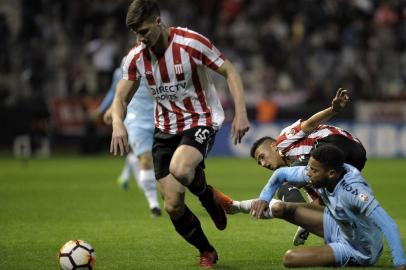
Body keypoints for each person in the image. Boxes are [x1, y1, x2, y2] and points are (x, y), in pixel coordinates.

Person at [110, 0, 250, 268]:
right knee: (173, 206)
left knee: (182, 169)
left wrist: (241, 113)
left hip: (200, 119)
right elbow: (120, 97)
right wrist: (118, 122)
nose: (141, 38)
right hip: (164, 129)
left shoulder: (191, 43)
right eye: (136, 34)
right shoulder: (136, 57)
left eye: (144, 31)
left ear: (158, 21)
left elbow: (229, 71)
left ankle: (208, 198)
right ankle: (206, 250)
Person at [217, 88, 367, 245]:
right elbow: (318, 204)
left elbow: (310, 124)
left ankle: (238, 207)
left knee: (283, 185)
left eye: (262, 157)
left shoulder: (283, 141)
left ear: (274, 146)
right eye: (259, 163)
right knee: (323, 201)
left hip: (339, 143)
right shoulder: (306, 175)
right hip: (353, 161)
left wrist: (334, 109)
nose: (263, 164)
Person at [248, 145, 406, 268]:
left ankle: (337, 254)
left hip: (359, 248)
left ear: (331, 173)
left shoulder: (354, 192)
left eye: (313, 170)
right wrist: (264, 198)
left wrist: (400, 263)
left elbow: (389, 225)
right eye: (309, 167)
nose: (308, 173)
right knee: (279, 208)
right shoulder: (321, 171)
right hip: (339, 225)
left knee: (290, 258)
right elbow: (281, 173)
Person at [93, 59, 161, 217]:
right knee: (145, 158)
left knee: (165, 165)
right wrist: (108, 110)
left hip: (161, 117)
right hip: (136, 119)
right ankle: (154, 204)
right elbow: (116, 93)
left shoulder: (162, 62)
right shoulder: (125, 66)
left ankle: (127, 176)